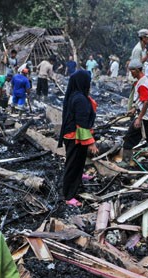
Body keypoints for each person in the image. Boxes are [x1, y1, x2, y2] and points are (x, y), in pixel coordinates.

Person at [58, 71, 98, 207]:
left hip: (76, 135)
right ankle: (68, 195)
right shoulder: (79, 99)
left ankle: (79, 176)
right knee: (72, 164)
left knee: (79, 160)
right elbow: (81, 123)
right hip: (74, 135)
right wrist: (91, 142)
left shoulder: (76, 95)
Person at [120, 59, 148, 163]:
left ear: (137, 70)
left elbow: (146, 102)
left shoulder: (142, 84)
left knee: (129, 138)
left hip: (143, 117)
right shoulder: (142, 80)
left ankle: (125, 162)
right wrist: (134, 108)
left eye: (132, 71)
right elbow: (141, 100)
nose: (131, 73)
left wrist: (139, 119)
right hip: (147, 115)